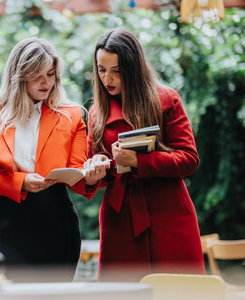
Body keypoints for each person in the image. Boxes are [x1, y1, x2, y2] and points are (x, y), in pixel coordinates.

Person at [0, 37, 101, 281]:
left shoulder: (72, 115)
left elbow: (77, 173)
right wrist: (20, 182)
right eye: (37, 75)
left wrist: (90, 178)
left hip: (54, 224)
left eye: (51, 74)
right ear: (19, 75)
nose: (46, 83)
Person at [86, 28, 206, 281]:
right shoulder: (96, 113)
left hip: (168, 212)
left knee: (179, 290)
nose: (107, 79)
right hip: (120, 217)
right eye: (101, 69)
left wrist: (139, 162)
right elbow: (95, 170)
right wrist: (97, 167)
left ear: (133, 68)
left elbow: (189, 158)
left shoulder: (166, 99)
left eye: (116, 71)